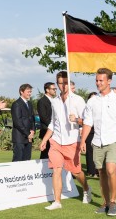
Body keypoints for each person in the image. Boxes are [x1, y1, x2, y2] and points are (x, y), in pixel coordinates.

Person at [80, 68, 116, 217]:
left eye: (101, 80)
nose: (98, 83)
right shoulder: (92, 101)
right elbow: (87, 123)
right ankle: (105, 203)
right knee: (102, 173)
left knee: (111, 170)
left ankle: (113, 201)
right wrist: (83, 140)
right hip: (97, 141)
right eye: (96, 80)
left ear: (109, 81)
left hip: (114, 140)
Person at [40, 71, 92, 210]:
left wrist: (76, 120)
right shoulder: (55, 101)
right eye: (60, 83)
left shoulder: (78, 100)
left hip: (72, 141)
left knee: (76, 172)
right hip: (56, 141)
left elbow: (87, 121)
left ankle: (86, 188)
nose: (62, 86)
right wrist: (45, 139)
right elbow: (52, 123)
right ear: (57, 84)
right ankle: (57, 201)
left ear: (69, 84)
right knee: (56, 170)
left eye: (65, 83)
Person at [11, 84, 35, 162]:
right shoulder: (16, 104)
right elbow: (17, 122)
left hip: (29, 138)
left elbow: (32, 119)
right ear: (21, 92)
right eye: (28, 92)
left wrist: (32, 131)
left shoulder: (30, 104)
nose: (30, 93)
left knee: (27, 160)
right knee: (18, 160)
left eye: (30, 92)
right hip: (19, 138)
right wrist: (27, 133)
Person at [37, 82, 56, 159]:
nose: (55, 90)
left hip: (54, 132)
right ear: (47, 90)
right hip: (46, 130)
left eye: (55, 89)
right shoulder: (42, 101)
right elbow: (43, 117)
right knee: (45, 153)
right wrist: (53, 126)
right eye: (53, 89)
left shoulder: (55, 101)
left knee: (53, 153)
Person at [84, 92, 98, 177]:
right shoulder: (86, 108)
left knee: (98, 152)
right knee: (90, 152)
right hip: (89, 131)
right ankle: (91, 171)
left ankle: (98, 170)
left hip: (98, 132)